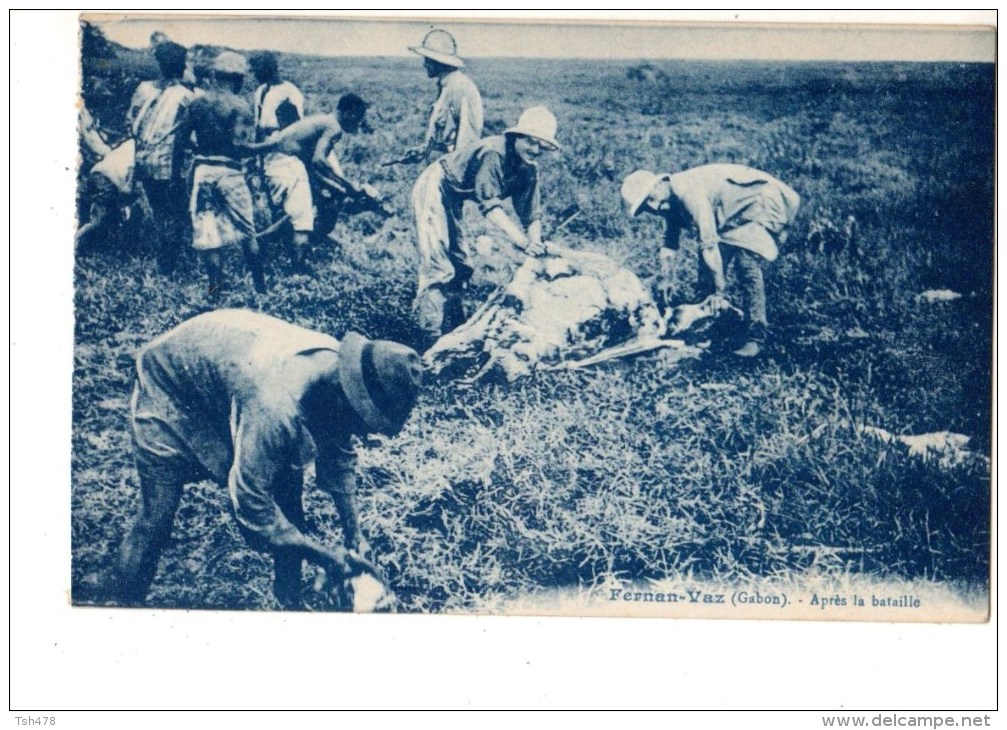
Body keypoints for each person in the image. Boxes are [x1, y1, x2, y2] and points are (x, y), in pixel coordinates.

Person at [113, 308, 424, 609]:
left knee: (292, 510)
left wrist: (353, 533)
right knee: (156, 519)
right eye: (364, 421)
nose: (364, 433)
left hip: (226, 373)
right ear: (347, 397)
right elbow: (251, 503)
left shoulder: (338, 372)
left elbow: (339, 453)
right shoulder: (275, 407)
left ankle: (288, 604)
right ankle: (125, 607)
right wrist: (326, 557)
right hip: (170, 380)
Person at [411, 105, 559, 343]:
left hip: (455, 196)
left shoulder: (529, 169)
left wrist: (536, 242)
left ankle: (455, 324)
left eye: (542, 146)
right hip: (436, 183)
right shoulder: (495, 153)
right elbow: (490, 206)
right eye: (531, 142)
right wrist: (522, 242)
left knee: (461, 263)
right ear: (516, 137)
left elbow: (531, 214)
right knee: (438, 263)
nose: (535, 150)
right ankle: (427, 335)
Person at [621, 164, 801, 357]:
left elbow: (708, 246)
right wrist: (667, 278)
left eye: (651, 199)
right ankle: (713, 326)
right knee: (708, 271)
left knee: (746, 265)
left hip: (761, 203)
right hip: (732, 216)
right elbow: (669, 244)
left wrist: (719, 290)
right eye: (647, 207)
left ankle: (756, 337)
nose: (654, 207)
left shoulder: (690, 195)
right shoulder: (669, 202)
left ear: (660, 183)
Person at [246, 94, 386, 246]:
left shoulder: (324, 120)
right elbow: (319, 161)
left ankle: (267, 239)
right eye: (358, 118)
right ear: (349, 113)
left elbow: (314, 164)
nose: (358, 124)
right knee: (304, 215)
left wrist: (339, 187)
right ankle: (267, 242)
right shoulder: (334, 127)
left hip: (280, 161)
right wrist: (347, 186)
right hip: (284, 164)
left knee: (315, 203)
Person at [187, 51, 267, 298]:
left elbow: (182, 142)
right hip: (230, 172)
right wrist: (270, 146)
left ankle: (215, 292)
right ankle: (260, 289)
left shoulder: (196, 103)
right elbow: (240, 147)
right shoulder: (240, 106)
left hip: (202, 172)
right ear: (238, 78)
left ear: (215, 75)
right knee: (248, 232)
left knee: (209, 234)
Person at [130, 40, 195, 274]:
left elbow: (133, 124)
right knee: (176, 214)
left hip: (144, 160)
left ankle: (166, 260)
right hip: (169, 164)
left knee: (161, 212)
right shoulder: (187, 97)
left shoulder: (147, 91)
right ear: (182, 65)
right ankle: (169, 266)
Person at [248, 51, 315, 272]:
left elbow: (293, 131)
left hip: (283, 157)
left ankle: (294, 262)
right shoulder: (261, 91)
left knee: (291, 213)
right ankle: (296, 265)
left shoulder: (288, 93)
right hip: (271, 159)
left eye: (258, 70)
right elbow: (259, 129)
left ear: (268, 69)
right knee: (298, 216)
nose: (255, 74)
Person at [405, 29, 484, 161]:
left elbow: (467, 141)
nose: (424, 65)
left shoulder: (458, 87)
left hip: (453, 169)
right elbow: (446, 138)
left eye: (428, 60)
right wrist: (424, 150)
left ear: (439, 62)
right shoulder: (447, 86)